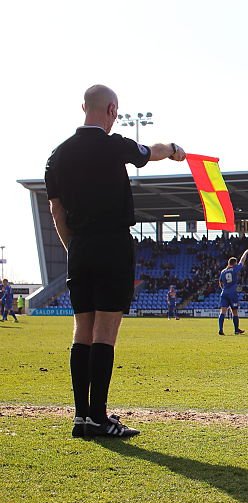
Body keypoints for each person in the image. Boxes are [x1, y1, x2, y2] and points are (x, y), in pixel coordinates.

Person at [45, 84, 186, 437]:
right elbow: (149, 153)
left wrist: (73, 249)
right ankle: (99, 416)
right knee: (105, 332)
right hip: (112, 246)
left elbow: (56, 211)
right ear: (110, 110)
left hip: (80, 249)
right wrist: (170, 149)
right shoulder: (113, 145)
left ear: (83, 107)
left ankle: (81, 417)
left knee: (82, 330)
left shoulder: (57, 156)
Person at [218, 248, 248, 335]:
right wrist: (245, 253)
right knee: (235, 312)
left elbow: (220, 282)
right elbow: (242, 261)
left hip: (224, 293)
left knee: (223, 311)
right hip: (232, 293)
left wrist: (223, 289)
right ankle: (236, 330)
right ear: (234, 263)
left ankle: (220, 329)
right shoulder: (235, 269)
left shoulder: (223, 271)